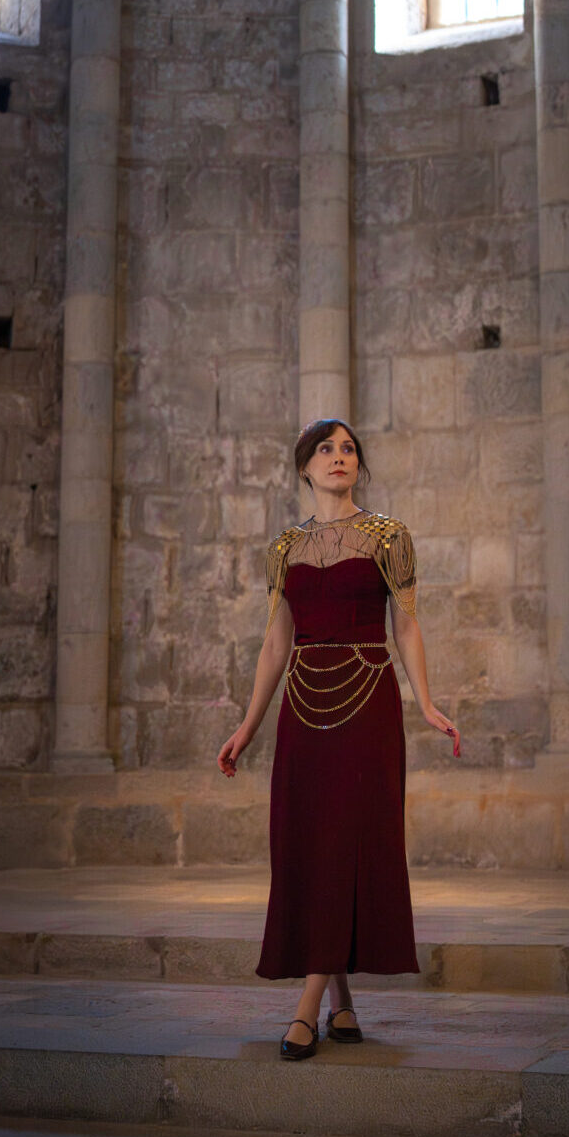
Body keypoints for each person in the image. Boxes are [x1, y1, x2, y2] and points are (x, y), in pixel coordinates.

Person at [216, 418, 461, 1059]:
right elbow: (276, 644)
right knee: (309, 844)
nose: (339, 457)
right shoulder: (282, 550)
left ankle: (305, 1008)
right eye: (325, 449)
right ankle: (342, 1005)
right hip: (302, 704)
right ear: (304, 467)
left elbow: (406, 627)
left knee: (347, 841)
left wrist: (428, 703)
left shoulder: (390, 536)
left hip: (367, 700)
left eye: (349, 449)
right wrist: (247, 727)